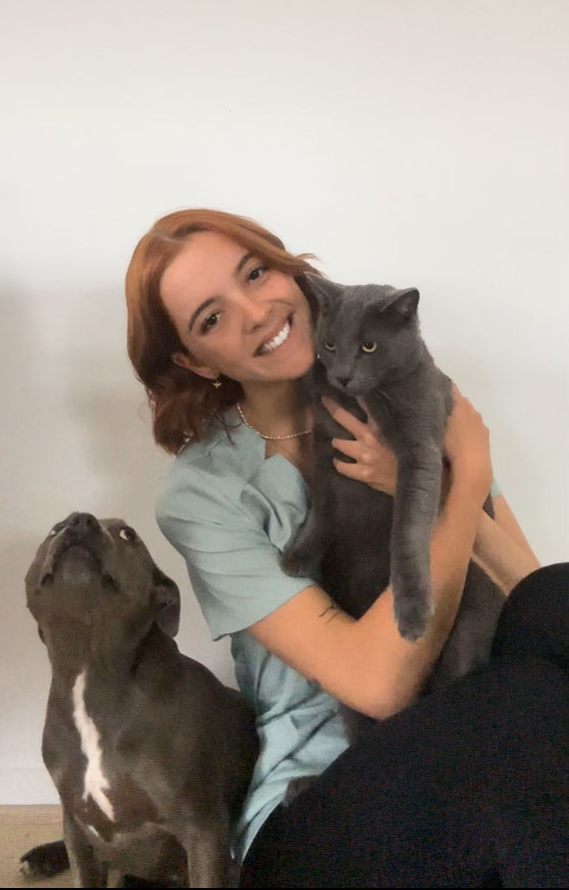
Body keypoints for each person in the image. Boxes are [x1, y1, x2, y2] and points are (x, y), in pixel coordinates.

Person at [125, 207, 568, 888]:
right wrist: (463, 477)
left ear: (290, 269)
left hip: (480, 734)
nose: (254, 312)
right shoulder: (203, 494)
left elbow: (534, 599)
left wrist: (437, 475)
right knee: (525, 709)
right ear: (192, 359)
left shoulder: (403, 387)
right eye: (211, 318)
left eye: (256, 273)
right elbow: (377, 685)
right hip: (325, 796)